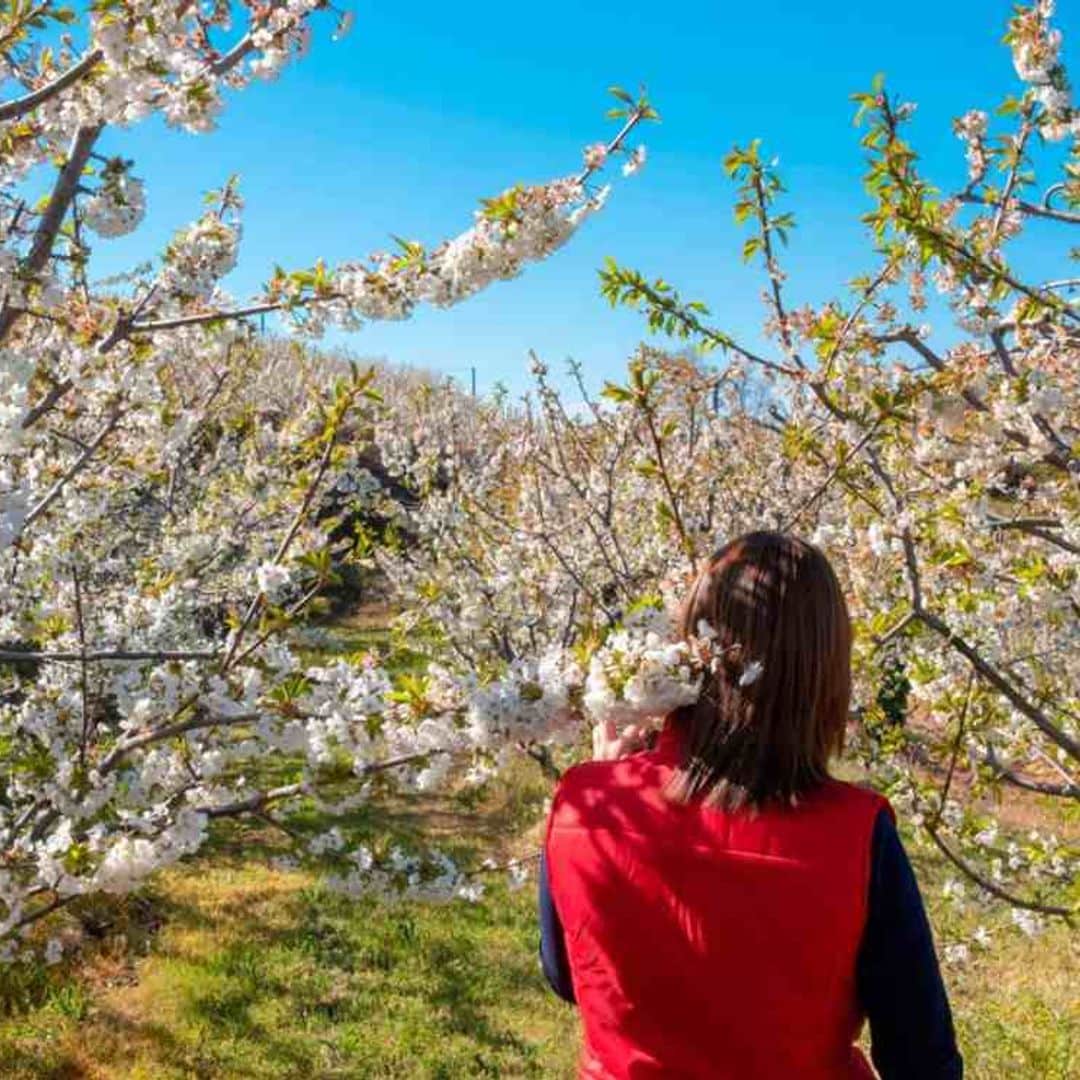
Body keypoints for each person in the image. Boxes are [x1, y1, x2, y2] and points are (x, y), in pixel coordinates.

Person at [539, 531, 963, 1079]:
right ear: (822, 675)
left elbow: (567, 975)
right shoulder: (858, 838)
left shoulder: (584, 802)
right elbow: (921, 1059)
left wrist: (605, 781)